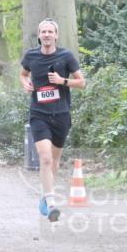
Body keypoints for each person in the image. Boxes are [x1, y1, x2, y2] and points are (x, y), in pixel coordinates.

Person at [19, 18, 85, 221]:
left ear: (56, 35)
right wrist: (25, 83)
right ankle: (51, 203)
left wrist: (62, 81)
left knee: (54, 161)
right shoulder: (31, 55)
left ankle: (45, 196)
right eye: (43, 32)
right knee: (45, 158)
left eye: (50, 32)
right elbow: (23, 74)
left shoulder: (66, 56)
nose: (47, 35)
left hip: (61, 115)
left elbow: (82, 82)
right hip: (39, 114)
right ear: (39, 35)